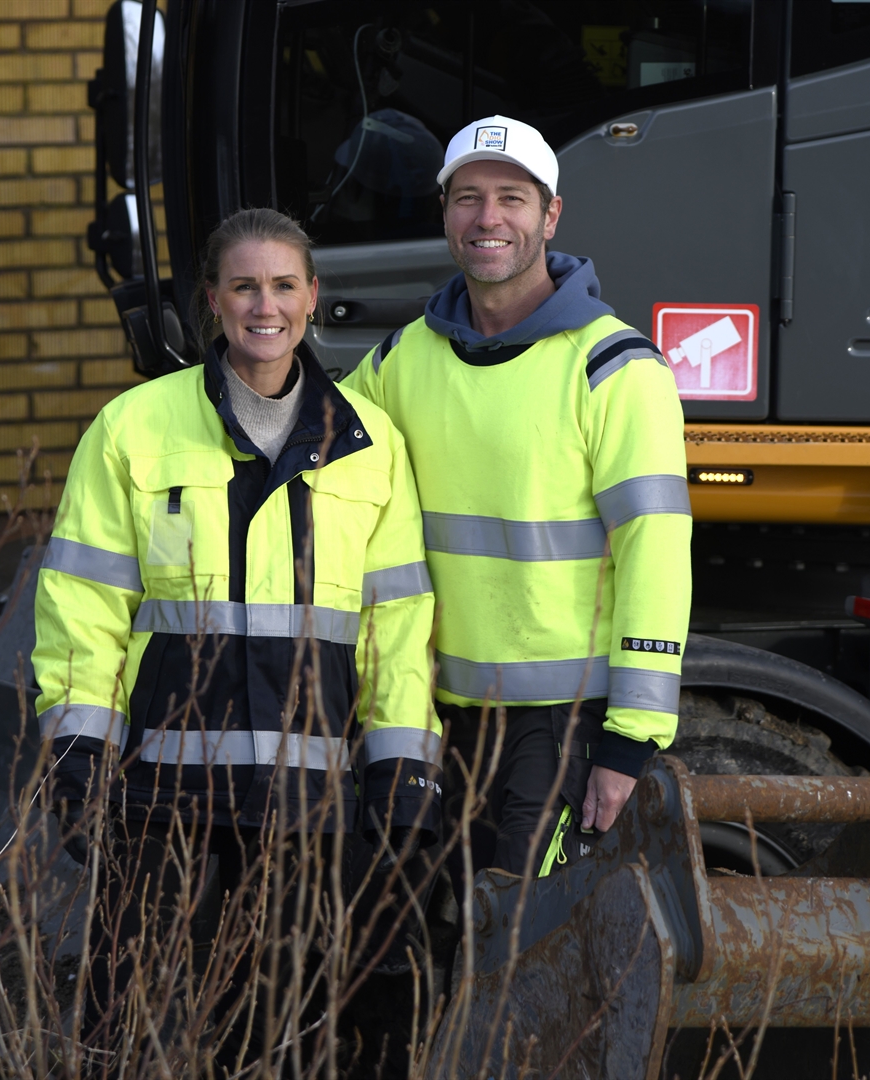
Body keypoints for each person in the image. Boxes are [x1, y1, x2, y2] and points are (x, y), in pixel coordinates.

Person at [31, 208, 441, 1054]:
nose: (266, 305)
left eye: (284, 285)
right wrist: (77, 759)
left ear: (313, 297)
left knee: (275, 1038)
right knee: (124, 1028)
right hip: (156, 796)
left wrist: (401, 775)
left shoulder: (369, 445)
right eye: (245, 285)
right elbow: (84, 606)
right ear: (211, 301)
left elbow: (396, 624)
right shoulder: (134, 428)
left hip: (307, 798)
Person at [345, 114, 691, 878]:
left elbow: (656, 556)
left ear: (550, 215)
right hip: (437, 710)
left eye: (512, 197)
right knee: (449, 936)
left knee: (522, 940)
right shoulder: (402, 359)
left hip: (563, 720)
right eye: (467, 198)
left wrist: (629, 742)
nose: (488, 217)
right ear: (444, 215)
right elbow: (320, 461)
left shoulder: (615, 368)